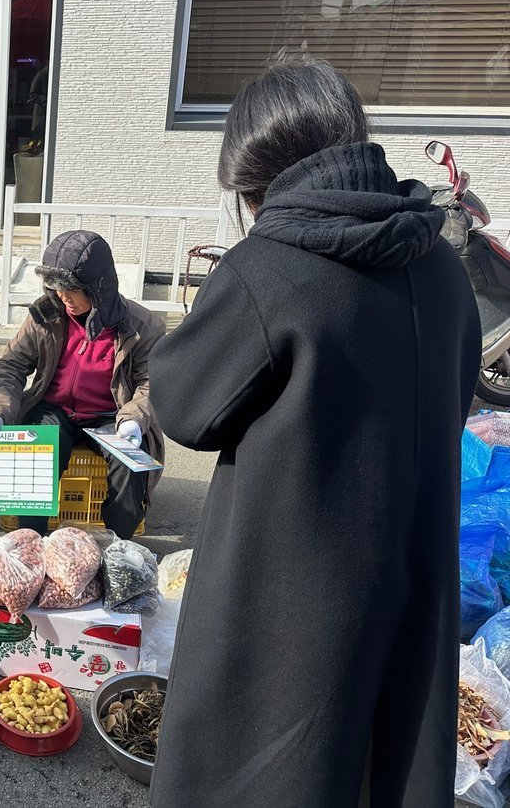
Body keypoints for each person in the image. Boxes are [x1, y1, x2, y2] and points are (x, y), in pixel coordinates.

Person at [147, 60, 480, 806]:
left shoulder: (270, 271)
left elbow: (183, 405)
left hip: (288, 597)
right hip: (413, 583)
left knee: (271, 770)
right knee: (378, 763)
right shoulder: (442, 266)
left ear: (257, 185)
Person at [0, 229, 164, 539]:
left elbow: (151, 382)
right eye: (56, 288)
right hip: (54, 409)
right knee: (38, 451)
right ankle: (30, 541)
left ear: (99, 288)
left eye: (72, 289)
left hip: (112, 414)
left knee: (130, 467)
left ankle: (117, 545)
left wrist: (134, 419)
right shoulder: (45, 315)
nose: (63, 297)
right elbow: (12, 365)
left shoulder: (142, 325)